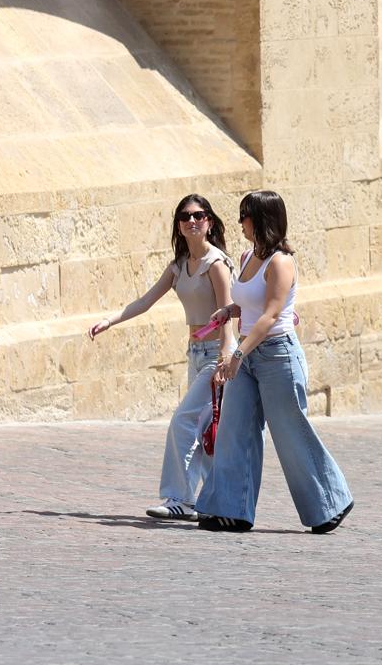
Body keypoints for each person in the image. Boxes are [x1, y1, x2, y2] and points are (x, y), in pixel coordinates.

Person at [194, 190, 353, 533]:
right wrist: (230, 311)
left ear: (262, 219)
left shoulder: (281, 262)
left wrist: (237, 353)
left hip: (276, 354)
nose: (240, 223)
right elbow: (250, 304)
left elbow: (270, 315)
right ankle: (230, 510)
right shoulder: (248, 255)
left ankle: (330, 503)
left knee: (289, 432)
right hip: (250, 355)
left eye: (244, 216)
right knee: (234, 431)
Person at [88, 194, 236, 521]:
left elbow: (228, 312)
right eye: (185, 217)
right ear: (179, 226)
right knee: (207, 429)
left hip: (217, 355)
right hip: (196, 354)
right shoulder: (179, 266)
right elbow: (145, 301)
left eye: (198, 215)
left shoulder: (217, 263)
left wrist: (227, 353)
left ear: (209, 221)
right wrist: (110, 321)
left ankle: (179, 499)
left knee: (184, 421)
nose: (192, 221)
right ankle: (211, 501)